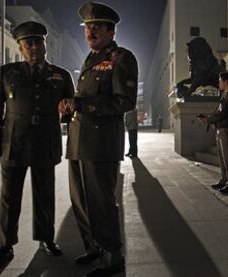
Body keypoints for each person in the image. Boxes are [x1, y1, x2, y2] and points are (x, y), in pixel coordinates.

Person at [0, 21, 75, 270]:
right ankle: (5, 246)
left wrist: (68, 110)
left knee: (45, 194)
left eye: (38, 42)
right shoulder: (7, 73)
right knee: (9, 198)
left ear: (45, 45)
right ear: (21, 47)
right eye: (28, 43)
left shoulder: (61, 75)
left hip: (45, 143)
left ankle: (46, 238)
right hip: (13, 144)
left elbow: (70, 110)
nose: (34, 47)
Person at [66, 2, 138, 276]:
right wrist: (70, 106)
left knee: (101, 202)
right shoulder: (90, 59)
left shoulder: (121, 58)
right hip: (78, 141)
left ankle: (112, 257)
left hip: (101, 143)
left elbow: (124, 101)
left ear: (111, 31)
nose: (90, 31)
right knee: (81, 200)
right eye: (87, 27)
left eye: (96, 26)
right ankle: (93, 248)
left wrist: (84, 105)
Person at [200, 72, 228, 193]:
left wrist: (209, 120)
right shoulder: (226, 95)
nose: (219, 83)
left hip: (226, 129)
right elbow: (219, 112)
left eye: (220, 80)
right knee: (223, 157)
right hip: (220, 128)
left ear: (226, 81)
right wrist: (209, 118)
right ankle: (225, 179)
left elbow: (222, 114)